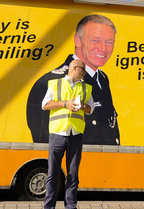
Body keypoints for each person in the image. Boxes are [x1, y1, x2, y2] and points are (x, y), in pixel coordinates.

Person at [27, 14, 120, 146]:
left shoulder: (102, 78)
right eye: (95, 40)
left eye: (109, 42)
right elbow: (45, 139)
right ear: (77, 40)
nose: (103, 48)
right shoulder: (51, 80)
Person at [33, 59, 94, 209]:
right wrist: (65, 104)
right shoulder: (55, 84)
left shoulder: (86, 87)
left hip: (75, 135)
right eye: (82, 70)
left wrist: (82, 106)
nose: (84, 73)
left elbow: (90, 109)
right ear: (75, 68)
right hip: (58, 134)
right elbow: (45, 105)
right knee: (52, 175)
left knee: (73, 175)